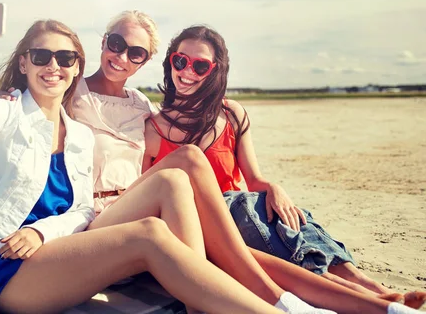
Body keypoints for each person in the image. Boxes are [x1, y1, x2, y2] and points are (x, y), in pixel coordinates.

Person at [0, 10, 421, 314]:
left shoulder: (143, 106)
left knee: (253, 255)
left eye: (135, 52)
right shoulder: (71, 91)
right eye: (116, 44)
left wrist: (269, 184)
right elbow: (36, 90)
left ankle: (382, 308)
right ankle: (270, 300)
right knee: (199, 178)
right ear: (103, 43)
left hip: (137, 203)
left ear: (145, 61)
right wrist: (10, 95)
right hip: (96, 218)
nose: (122, 57)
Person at [0, 0, 294, 314]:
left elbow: (81, 210)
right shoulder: (6, 113)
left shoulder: (80, 135)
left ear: (75, 67)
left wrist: (40, 230)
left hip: (60, 247)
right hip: (9, 268)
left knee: (170, 191)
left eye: (65, 59)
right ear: (23, 62)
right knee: (150, 233)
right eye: (41, 56)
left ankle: (204, 300)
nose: (54, 67)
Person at [143, 24, 426, 310]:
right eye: (180, 60)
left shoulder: (231, 114)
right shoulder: (154, 130)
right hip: (204, 224)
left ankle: (372, 288)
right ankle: (370, 300)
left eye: (200, 65)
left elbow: (254, 178)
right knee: (267, 232)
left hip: (244, 209)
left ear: (215, 70)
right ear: (170, 62)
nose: (187, 70)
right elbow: (151, 196)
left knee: (292, 219)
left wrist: (275, 189)